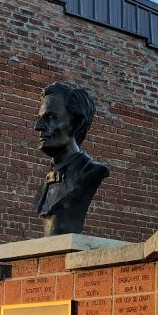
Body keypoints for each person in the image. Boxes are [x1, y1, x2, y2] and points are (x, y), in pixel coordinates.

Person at [33, 82, 109, 236]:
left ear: (76, 123)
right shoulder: (48, 180)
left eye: (50, 117)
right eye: (40, 118)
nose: (38, 126)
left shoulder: (90, 172)